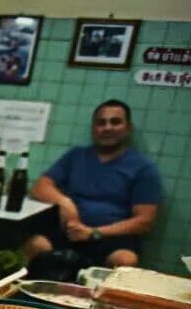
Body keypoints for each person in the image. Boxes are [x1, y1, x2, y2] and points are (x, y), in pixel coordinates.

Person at [23, 100, 162, 269]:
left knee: (126, 260)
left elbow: (144, 221)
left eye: (115, 122)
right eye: (101, 123)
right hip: (68, 230)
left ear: (128, 128)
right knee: (36, 245)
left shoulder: (143, 168)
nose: (107, 127)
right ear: (93, 128)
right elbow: (40, 187)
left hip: (110, 237)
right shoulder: (76, 156)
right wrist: (65, 203)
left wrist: (93, 233)